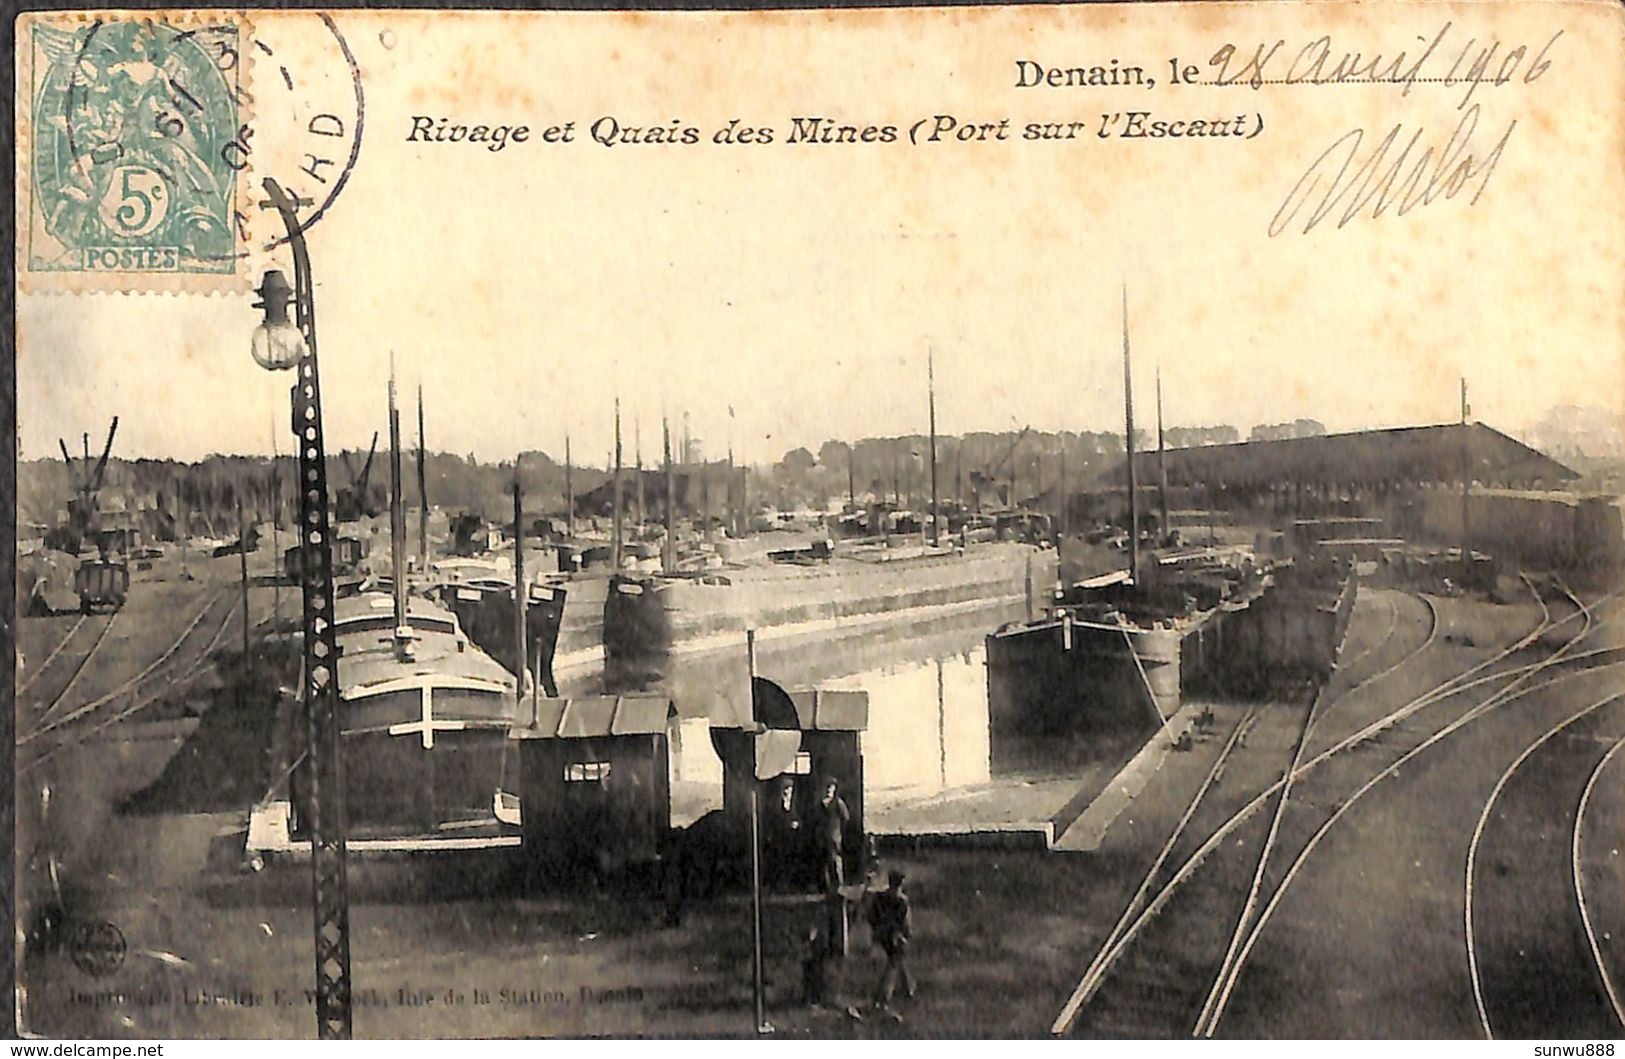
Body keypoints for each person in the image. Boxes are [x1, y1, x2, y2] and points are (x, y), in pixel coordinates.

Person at [867, 869, 916, 1019]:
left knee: (896, 961)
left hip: (883, 935)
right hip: (892, 936)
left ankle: (907, 989)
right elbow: (906, 925)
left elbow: (871, 916)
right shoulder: (901, 901)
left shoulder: (880, 897)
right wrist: (904, 935)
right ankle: (884, 995)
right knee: (894, 963)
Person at [814, 778, 851, 895]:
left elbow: (846, 818)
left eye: (831, 788)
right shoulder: (820, 805)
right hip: (822, 837)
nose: (828, 790)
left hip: (834, 837)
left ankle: (838, 886)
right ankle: (825, 887)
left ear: (835, 789)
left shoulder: (838, 803)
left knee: (835, 861)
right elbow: (816, 820)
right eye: (827, 787)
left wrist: (837, 831)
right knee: (823, 862)